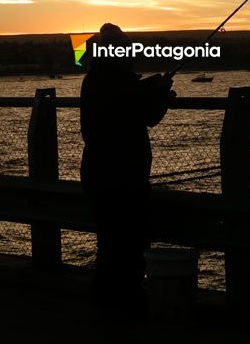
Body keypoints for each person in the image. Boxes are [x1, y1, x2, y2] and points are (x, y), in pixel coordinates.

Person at [80, 23, 174, 319]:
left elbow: (132, 99)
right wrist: (163, 97)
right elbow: (147, 115)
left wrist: (154, 89)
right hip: (125, 177)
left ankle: (105, 301)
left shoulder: (93, 79)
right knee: (130, 245)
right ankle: (127, 302)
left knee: (109, 242)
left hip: (96, 173)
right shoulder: (122, 83)